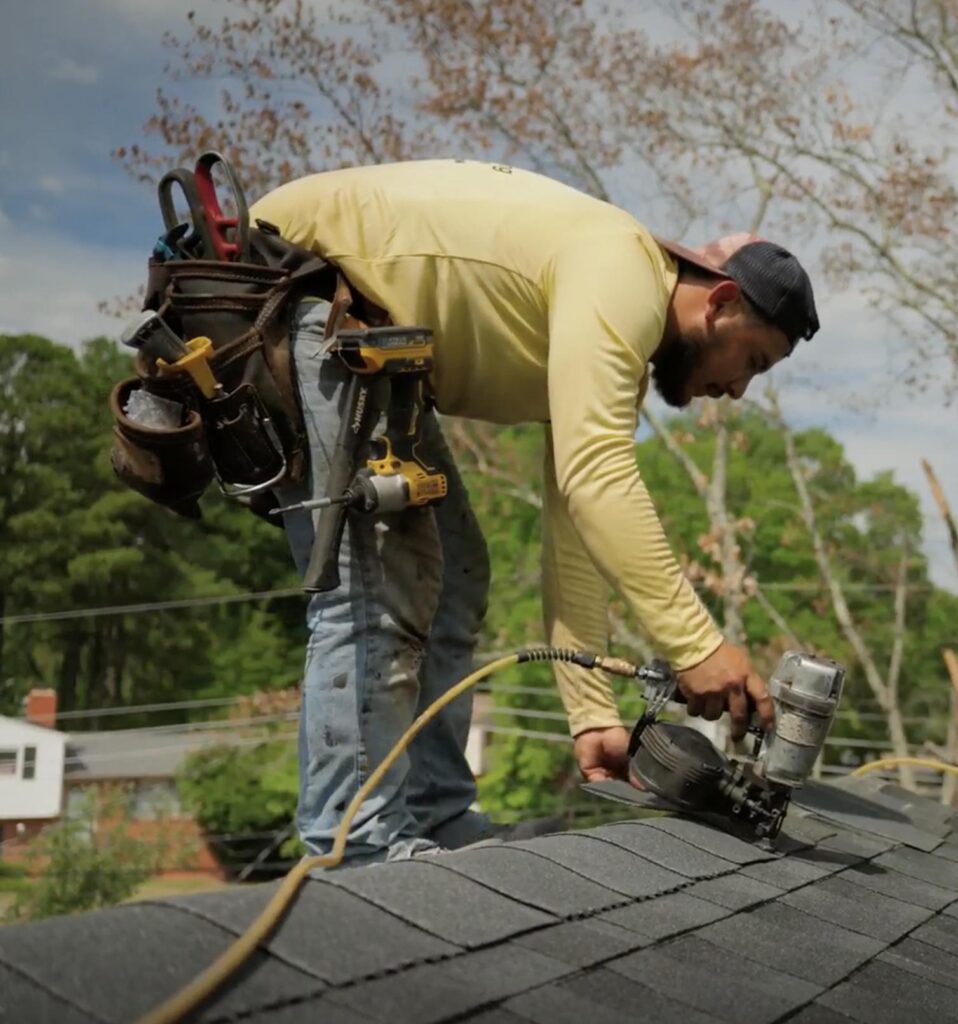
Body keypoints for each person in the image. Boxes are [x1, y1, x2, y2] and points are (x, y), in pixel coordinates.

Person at [249, 159, 819, 865]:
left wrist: (593, 715)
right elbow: (597, 477)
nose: (737, 391)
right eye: (754, 362)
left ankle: (434, 813)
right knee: (376, 586)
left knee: (456, 574)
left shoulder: (611, 316)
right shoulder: (624, 273)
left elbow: (575, 525)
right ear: (722, 302)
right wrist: (697, 646)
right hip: (304, 291)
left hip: (373, 342)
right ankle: (355, 846)